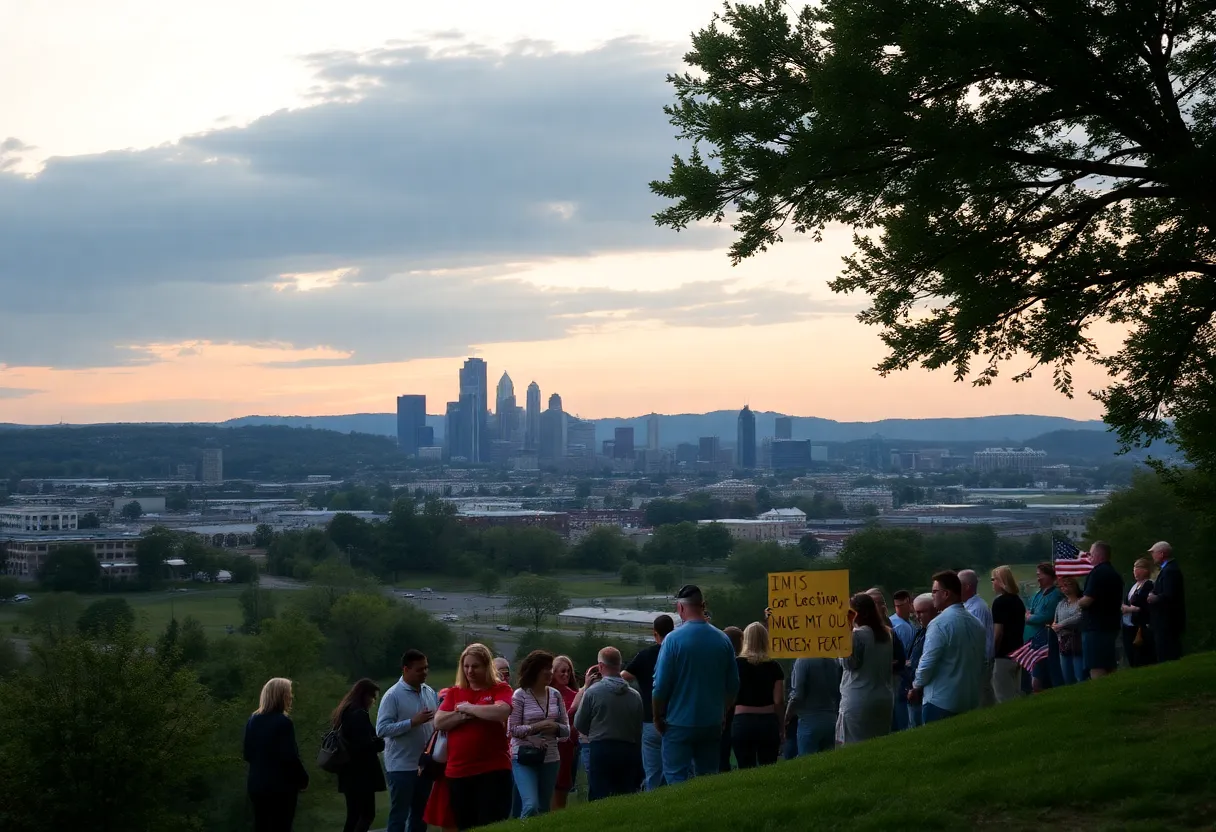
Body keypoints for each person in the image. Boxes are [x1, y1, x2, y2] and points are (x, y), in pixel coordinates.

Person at [651, 584, 740, 785]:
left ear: (680, 608)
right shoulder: (722, 640)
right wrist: (723, 711)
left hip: (678, 722)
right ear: (703, 605)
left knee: (675, 775)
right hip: (711, 721)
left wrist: (657, 716)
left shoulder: (672, 640)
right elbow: (733, 684)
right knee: (708, 775)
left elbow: (660, 686)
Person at [433, 643, 513, 830]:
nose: (469, 671)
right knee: (465, 825)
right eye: (466, 666)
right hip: (459, 772)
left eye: (475, 666)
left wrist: (468, 708)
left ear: (486, 666)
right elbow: (439, 722)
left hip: (493, 770)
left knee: (491, 824)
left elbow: (501, 712)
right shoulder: (454, 692)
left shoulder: (499, 689)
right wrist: (465, 714)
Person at [910, 571, 986, 724]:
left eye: (934, 592)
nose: (933, 596)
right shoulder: (976, 623)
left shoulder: (939, 624)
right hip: (969, 699)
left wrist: (916, 686)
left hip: (941, 701)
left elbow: (927, 662)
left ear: (946, 594)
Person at [377, 650, 438, 832]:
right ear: (406, 669)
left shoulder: (429, 692)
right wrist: (412, 722)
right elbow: (381, 730)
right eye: (419, 670)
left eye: (426, 668)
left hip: (425, 766)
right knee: (399, 816)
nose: (425, 672)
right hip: (401, 767)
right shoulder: (392, 696)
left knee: (421, 816)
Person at [574, 647, 644, 800]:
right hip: (628, 748)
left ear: (600, 666)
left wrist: (592, 729)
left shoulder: (593, 692)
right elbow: (638, 728)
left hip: (601, 747)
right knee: (625, 794)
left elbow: (579, 723)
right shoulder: (635, 696)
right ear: (619, 665)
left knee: (599, 793)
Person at [508, 650, 569, 818]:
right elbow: (512, 729)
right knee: (530, 805)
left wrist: (555, 728)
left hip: (550, 758)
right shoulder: (520, 695)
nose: (550, 672)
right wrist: (537, 727)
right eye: (546, 668)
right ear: (534, 670)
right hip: (524, 757)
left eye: (551, 668)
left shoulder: (555, 695)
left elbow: (566, 730)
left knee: (543, 808)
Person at [244, 677, 309, 832]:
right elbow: (289, 757)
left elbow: (247, 754)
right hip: (280, 788)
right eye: (289, 693)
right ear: (281, 696)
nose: (291, 697)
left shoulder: (253, 720)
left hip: (256, 785)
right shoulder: (283, 722)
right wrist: (303, 778)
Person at [622, 614, 675, 791]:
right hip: (676, 718)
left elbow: (624, 678)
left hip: (650, 719)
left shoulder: (645, 655)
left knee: (653, 772)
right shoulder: (678, 652)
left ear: (655, 633)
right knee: (676, 769)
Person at [837, 593, 894, 745]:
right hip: (883, 698)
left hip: (859, 699)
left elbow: (849, 664)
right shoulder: (886, 635)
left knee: (854, 746)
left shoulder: (858, 636)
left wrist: (843, 638)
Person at [332, 678, 387, 832]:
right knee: (366, 814)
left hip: (348, 772)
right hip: (361, 774)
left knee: (353, 814)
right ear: (365, 695)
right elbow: (364, 744)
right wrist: (379, 743)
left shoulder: (345, 712)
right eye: (372, 697)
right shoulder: (358, 714)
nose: (373, 701)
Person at [730, 622, 784, 768]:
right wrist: (781, 726)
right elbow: (778, 700)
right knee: (769, 766)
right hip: (767, 721)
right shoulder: (774, 666)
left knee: (745, 768)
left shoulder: (736, 665)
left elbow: (730, 695)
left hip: (742, 721)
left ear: (745, 640)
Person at [1078, 541, 1123, 679]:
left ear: (1098, 555)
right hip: (1111, 625)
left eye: (1091, 554)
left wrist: (1078, 602)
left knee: (1096, 665)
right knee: (1109, 664)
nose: (1089, 557)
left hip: (1095, 627)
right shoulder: (1114, 574)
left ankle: (1100, 692)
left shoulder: (1097, 573)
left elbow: (1087, 600)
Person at [867, 587, 908, 732]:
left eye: (882, 602)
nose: (882, 606)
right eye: (876, 603)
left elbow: (901, 658)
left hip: (893, 685)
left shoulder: (890, 629)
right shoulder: (861, 633)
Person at [786, 654, 841, 755]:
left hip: (809, 720)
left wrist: (786, 716)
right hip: (830, 719)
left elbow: (797, 695)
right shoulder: (832, 660)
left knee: (807, 763)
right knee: (828, 762)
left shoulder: (803, 661)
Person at [1023, 563, 1063, 692]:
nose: (1038, 578)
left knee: (1045, 676)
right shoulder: (1038, 594)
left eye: (1040, 575)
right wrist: (1030, 616)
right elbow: (1030, 610)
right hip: (1033, 641)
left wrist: (1029, 618)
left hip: (1047, 641)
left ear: (1049, 576)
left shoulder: (1056, 595)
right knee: (1034, 677)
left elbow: (1046, 616)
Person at [989, 565, 1026, 703]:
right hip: (1018, 652)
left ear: (1001, 581)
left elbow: (998, 632)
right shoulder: (1018, 601)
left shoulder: (999, 602)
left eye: (993, 579)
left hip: (1003, 655)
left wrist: (992, 652)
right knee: (1015, 691)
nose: (992, 583)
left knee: (1003, 695)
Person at [959, 569, 995, 707]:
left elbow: (976, 638)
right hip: (979, 660)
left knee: (982, 697)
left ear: (967, 586)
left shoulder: (976, 609)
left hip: (980, 661)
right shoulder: (971, 606)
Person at [550, 655, 581, 808]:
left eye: (568, 671)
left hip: (567, 748)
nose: (566, 675)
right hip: (548, 746)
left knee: (561, 790)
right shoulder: (546, 694)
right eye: (562, 671)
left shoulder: (575, 695)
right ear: (553, 673)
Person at [1147, 541, 1186, 663]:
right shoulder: (1167, 569)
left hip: (1167, 620)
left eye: (1154, 553)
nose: (1152, 556)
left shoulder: (1170, 571)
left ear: (1162, 554)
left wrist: (1155, 598)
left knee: (1167, 652)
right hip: (1164, 620)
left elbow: (1170, 595)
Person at [904, 593, 936, 727]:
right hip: (913, 689)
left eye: (922, 612)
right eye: (916, 612)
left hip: (924, 690)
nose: (918, 617)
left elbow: (929, 662)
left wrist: (917, 687)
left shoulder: (934, 632)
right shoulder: (921, 631)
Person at [1121, 557, 1156, 667]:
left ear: (1146, 570)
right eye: (1134, 568)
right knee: (1130, 652)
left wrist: (1130, 609)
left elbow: (1144, 604)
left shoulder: (1149, 584)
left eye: (1138, 568)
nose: (1135, 571)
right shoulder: (1133, 586)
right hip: (1128, 623)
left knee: (1141, 655)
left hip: (1141, 625)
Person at [719, 624, 744, 773]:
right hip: (739, 713)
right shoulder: (742, 663)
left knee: (723, 754)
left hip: (725, 713)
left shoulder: (724, 664)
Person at [1052, 576, 1085, 684]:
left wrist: (1062, 625)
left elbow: (1080, 617)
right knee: (1067, 675)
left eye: (1066, 585)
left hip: (1077, 639)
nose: (1063, 588)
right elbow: (1055, 620)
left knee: (1079, 673)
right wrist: (1055, 627)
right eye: (1061, 586)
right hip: (1063, 640)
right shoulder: (1061, 604)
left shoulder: (1081, 601)